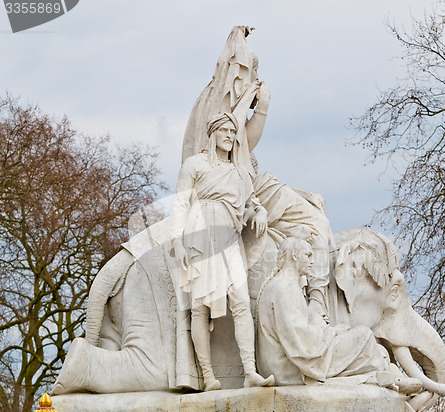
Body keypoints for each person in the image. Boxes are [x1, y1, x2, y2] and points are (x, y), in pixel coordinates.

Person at [170, 112, 274, 391]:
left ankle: (250, 372)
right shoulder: (195, 165)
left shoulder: (240, 173)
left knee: (241, 302)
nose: (229, 135)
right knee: (200, 307)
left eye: (233, 131)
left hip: (230, 239)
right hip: (201, 236)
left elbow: (251, 204)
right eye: (224, 130)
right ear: (213, 133)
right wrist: (178, 242)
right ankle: (207, 376)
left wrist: (260, 211)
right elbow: (180, 204)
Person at [256, 237, 422, 392]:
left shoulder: (286, 286)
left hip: (292, 361)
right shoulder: (283, 287)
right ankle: (385, 377)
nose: (312, 261)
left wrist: (331, 329)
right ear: (294, 255)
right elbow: (300, 340)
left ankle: (386, 376)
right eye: (308, 255)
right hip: (289, 369)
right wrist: (332, 332)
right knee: (363, 335)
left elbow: (299, 331)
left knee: (368, 343)